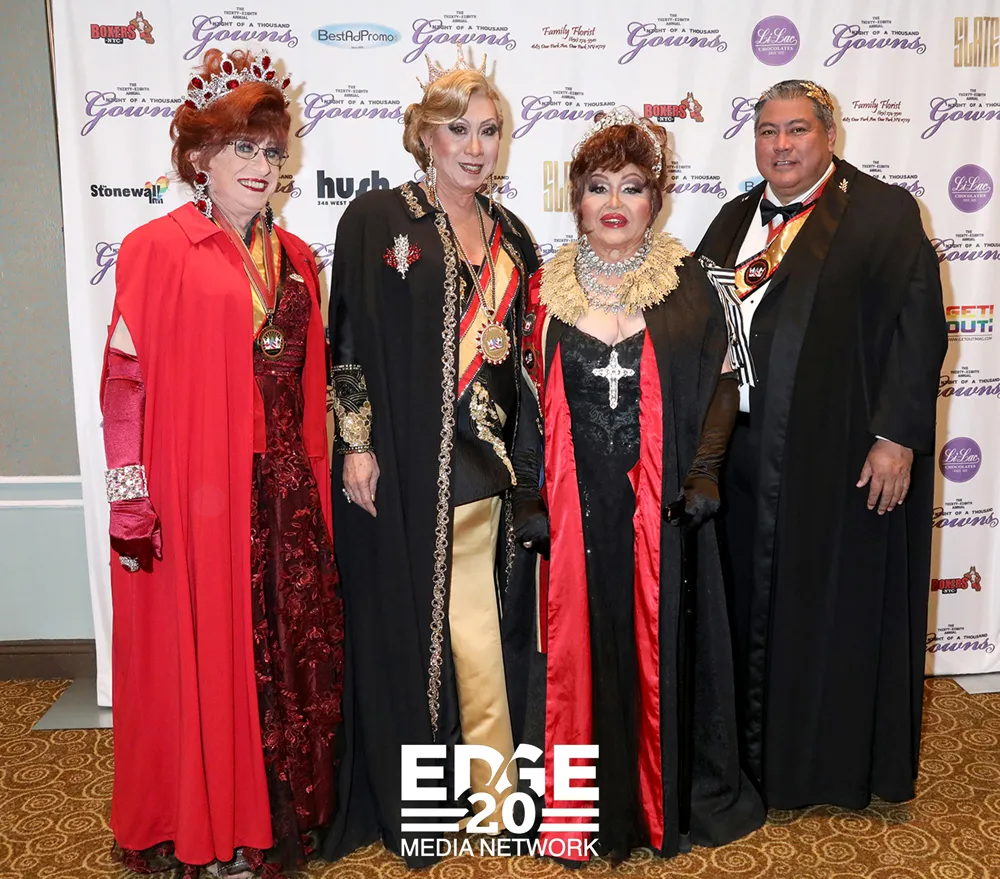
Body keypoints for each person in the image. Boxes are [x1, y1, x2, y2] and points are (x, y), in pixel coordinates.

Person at [101, 49, 344, 878]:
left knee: (283, 654)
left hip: (285, 490)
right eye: (244, 147)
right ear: (200, 155)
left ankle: (271, 821)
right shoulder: (156, 247)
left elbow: (309, 383)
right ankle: (207, 826)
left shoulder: (299, 256)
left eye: (273, 150)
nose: (262, 165)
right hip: (198, 489)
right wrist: (130, 499)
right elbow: (124, 382)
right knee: (205, 658)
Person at [513, 107, 764, 863]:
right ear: (577, 200)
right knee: (577, 651)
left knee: (659, 647)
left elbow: (724, 383)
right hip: (575, 506)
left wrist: (704, 469)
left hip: (661, 506)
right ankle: (578, 806)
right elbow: (521, 395)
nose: (614, 201)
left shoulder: (693, 286)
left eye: (631, 185)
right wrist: (528, 489)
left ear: (656, 199)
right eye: (598, 186)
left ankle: (659, 799)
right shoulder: (542, 291)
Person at [695, 79, 947, 810]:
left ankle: (822, 771)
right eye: (768, 132)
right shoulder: (733, 217)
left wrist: (896, 437)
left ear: (829, 136)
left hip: (840, 459)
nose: (781, 145)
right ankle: (747, 762)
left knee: (826, 613)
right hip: (741, 455)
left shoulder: (884, 212)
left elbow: (919, 329)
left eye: (797, 130)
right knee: (747, 605)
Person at [323, 52, 539, 865]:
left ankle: (488, 797)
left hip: (490, 466)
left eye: (489, 131)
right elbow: (349, 339)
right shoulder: (380, 218)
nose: (475, 148)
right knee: (412, 634)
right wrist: (356, 444)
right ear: (425, 136)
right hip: (404, 465)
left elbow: (525, 357)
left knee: (483, 631)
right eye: (458, 131)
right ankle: (446, 802)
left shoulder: (515, 234)